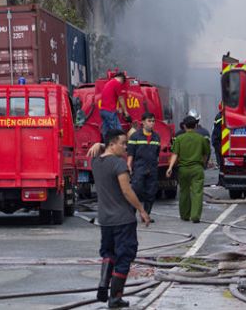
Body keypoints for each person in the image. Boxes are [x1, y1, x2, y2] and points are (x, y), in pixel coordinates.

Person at [90, 129, 151, 308]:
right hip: (123, 219)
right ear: (112, 144)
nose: (126, 148)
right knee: (125, 257)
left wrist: (99, 144)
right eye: (123, 144)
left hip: (105, 219)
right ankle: (115, 297)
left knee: (108, 253)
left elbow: (103, 149)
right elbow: (126, 190)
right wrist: (141, 209)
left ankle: (103, 284)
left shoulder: (95, 162)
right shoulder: (119, 164)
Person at [166, 116, 209, 223]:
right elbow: (205, 154)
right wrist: (202, 164)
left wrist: (170, 168)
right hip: (197, 169)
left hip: (183, 170)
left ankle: (185, 215)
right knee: (197, 192)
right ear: (195, 126)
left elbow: (175, 154)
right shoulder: (201, 138)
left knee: (184, 192)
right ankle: (195, 216)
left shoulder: (180, 139)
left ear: (184, 126)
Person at [127, 112, 161, 221]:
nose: (151, 123)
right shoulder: (135, 136)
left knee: (151, 192)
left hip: (152, 168)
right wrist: (129, 166)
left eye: (153, 121)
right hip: (139, 168)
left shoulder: (156, 137)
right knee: (136, 190)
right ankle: (131, 215)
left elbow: (157, 154)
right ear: (143, 122)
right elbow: (130, 153)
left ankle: (146, 215)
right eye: (149, 121)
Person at [100, 72, 130, 143]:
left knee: (106, 131)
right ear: (122, 79)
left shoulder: (108, 83)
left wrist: (116, 109)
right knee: (118, 131)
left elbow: (108, 99)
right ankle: (121, 148)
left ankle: (106, 146)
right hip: (109, 111)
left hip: (103, 111)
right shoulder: (117, 83)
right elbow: (121, 98)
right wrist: (125, 112)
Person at [211, 103, 223, 171]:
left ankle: (219, 164)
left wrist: (214, 141)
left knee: (219, 158)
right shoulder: (230, 116)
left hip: (219, 141)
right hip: (222, 141)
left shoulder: (218, 116)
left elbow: (216, 131)